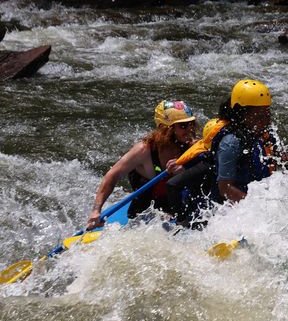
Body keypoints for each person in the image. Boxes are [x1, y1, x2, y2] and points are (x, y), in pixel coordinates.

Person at [86, 100, 197, 230]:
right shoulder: (144, 150)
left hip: (177, 201)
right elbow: (112, 176)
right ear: (166, 128)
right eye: (183, 126)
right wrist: (96, 210)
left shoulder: (191, 146)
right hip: (148, 206)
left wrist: (186, 167)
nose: (190, 129)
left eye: (191, 124)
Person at [210, 79, 277, 203]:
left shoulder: (259, 133)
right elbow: (225, 188)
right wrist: (255, 207)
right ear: (241, 114)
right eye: (259, 117)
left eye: (268, 115)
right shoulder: (231, 143)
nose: (266, 121)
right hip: (233, 210)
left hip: (257, 198)